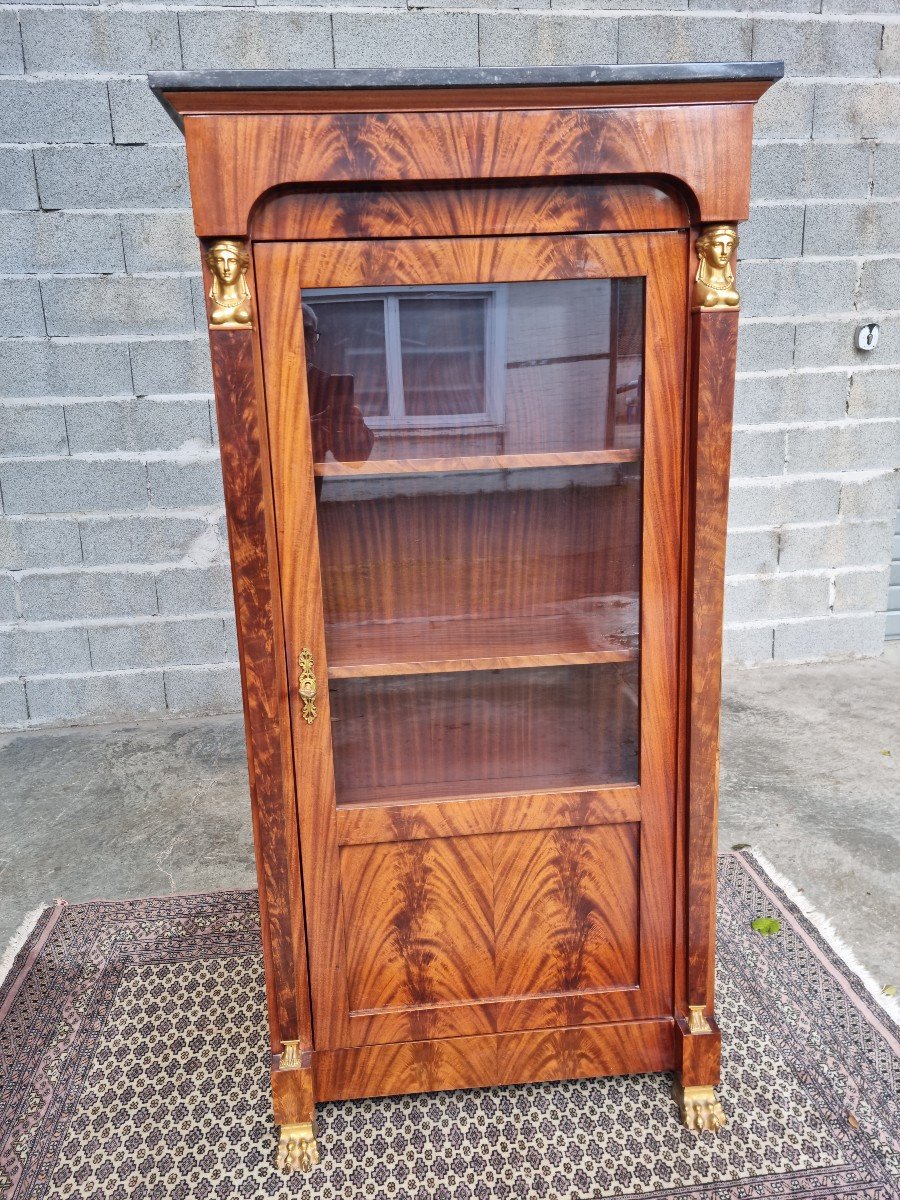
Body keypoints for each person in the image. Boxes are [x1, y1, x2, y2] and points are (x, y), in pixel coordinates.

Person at [302, 302, 375, 465]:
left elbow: (354, 460)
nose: (299, 341)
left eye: (307, 334)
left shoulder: (328, 386)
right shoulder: (254, 383)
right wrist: (304, 430)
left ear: (314, 342)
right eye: (291, 333)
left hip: (308, 487)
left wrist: (355, 430)